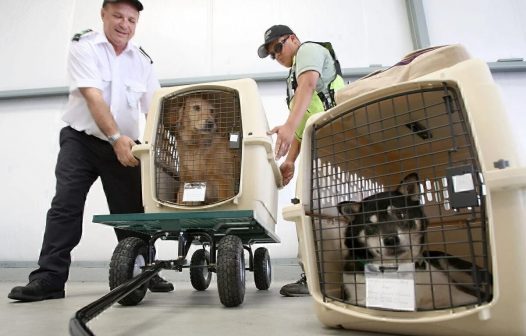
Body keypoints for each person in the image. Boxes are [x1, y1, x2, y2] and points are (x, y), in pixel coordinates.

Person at [8, 0, 173, 302]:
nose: (124, 24)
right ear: (103, 14)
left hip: (126, 147)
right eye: (118, 16)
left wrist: (155, 151)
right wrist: (115, 137)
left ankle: (145, 269)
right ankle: (49, 279)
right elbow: (92, 96)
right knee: (65, 206)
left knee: (133, 214)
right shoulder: (85, 46)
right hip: (81, 141)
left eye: (131, 20)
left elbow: (155, 111)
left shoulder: (142, 61)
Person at [258, 25, 344, 297]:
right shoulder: (292, 79)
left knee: (320, 207)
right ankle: (317, 275)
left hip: (339, 137)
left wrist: (287, 124)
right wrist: (291, 161)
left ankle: (324, 276)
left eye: (278, 48)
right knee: (307, 207)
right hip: (321, 144)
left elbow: (308, 86)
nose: (277, 56)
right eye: (272, 54)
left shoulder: (309, 51)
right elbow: (302, 122)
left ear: (293, 39)